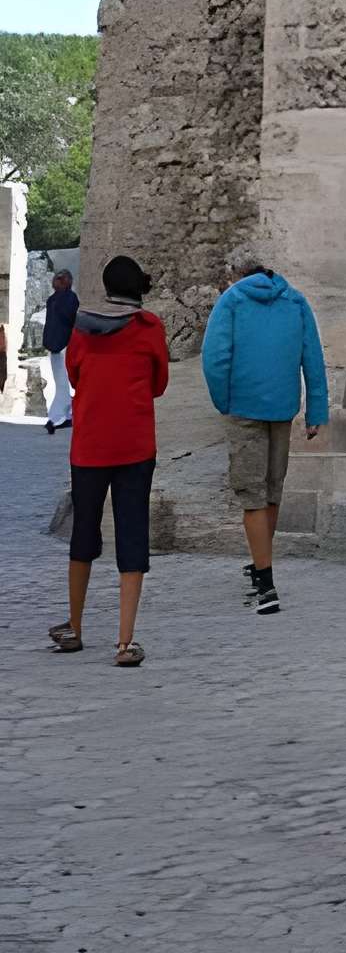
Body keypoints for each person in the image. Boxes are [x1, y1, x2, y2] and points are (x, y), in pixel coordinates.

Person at [49, 255, 169, 666]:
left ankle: (75, 627)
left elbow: (75, 376)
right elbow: (159, 384)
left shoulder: (82, 330)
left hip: (90, 446)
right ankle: (124, 641)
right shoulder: (150, 329)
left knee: (84, 531)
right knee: (132, 532)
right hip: (135, 446)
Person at [201, 242, 327, 615]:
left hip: (244, 405)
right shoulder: (296, 300)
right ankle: (261, 562)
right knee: (273, 489)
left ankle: (265, 584)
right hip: (283, 406)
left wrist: (223, 400)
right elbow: (313, 356)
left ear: (236, 274)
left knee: (251, 494)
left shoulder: (232, 300)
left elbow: (215, 357)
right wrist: (316, 409)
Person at [43, 268, 79, 433]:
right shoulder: (53, 300)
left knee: (63, 382)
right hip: (57, 345)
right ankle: (61, 416)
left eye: (59, 279)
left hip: (64, 345)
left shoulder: (67, 299)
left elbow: (69, 320)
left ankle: (58, 417)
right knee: (61, 382)